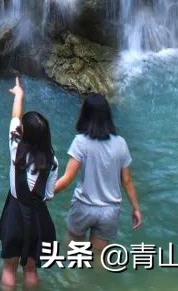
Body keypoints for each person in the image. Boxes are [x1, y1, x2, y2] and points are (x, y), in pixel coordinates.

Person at [53, 93, 141, 267]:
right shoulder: (121, 143)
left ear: (85, 114)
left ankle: (72, 283)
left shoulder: (80, 142)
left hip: (84, 206)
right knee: (100, 259)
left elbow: (67, 178)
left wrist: (44, 193)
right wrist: (136, 208)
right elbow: (127, 180)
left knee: (73, 255)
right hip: (109, 210)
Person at [0, 77, 58, 287]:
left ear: (24, 133)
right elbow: (48, 195)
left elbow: (15, 116)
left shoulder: (15, 147)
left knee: (9, 268)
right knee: (30, 269)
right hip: (38, 218)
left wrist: (19, 94)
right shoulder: (52, 161)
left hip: (15, 214)